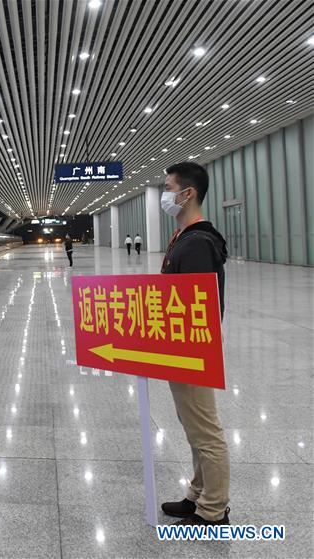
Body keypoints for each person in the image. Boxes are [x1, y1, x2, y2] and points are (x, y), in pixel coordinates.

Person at [159, 161, 230, 526]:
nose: (165, 194)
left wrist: (187, 354)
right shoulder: (186, 238)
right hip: (182, 350)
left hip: (193, 353)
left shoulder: (198, 243)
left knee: (206, 432)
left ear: (187, 194)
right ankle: (197, 494)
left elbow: (202, 311)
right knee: (194, 428)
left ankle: (214, 510)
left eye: (168, 187)